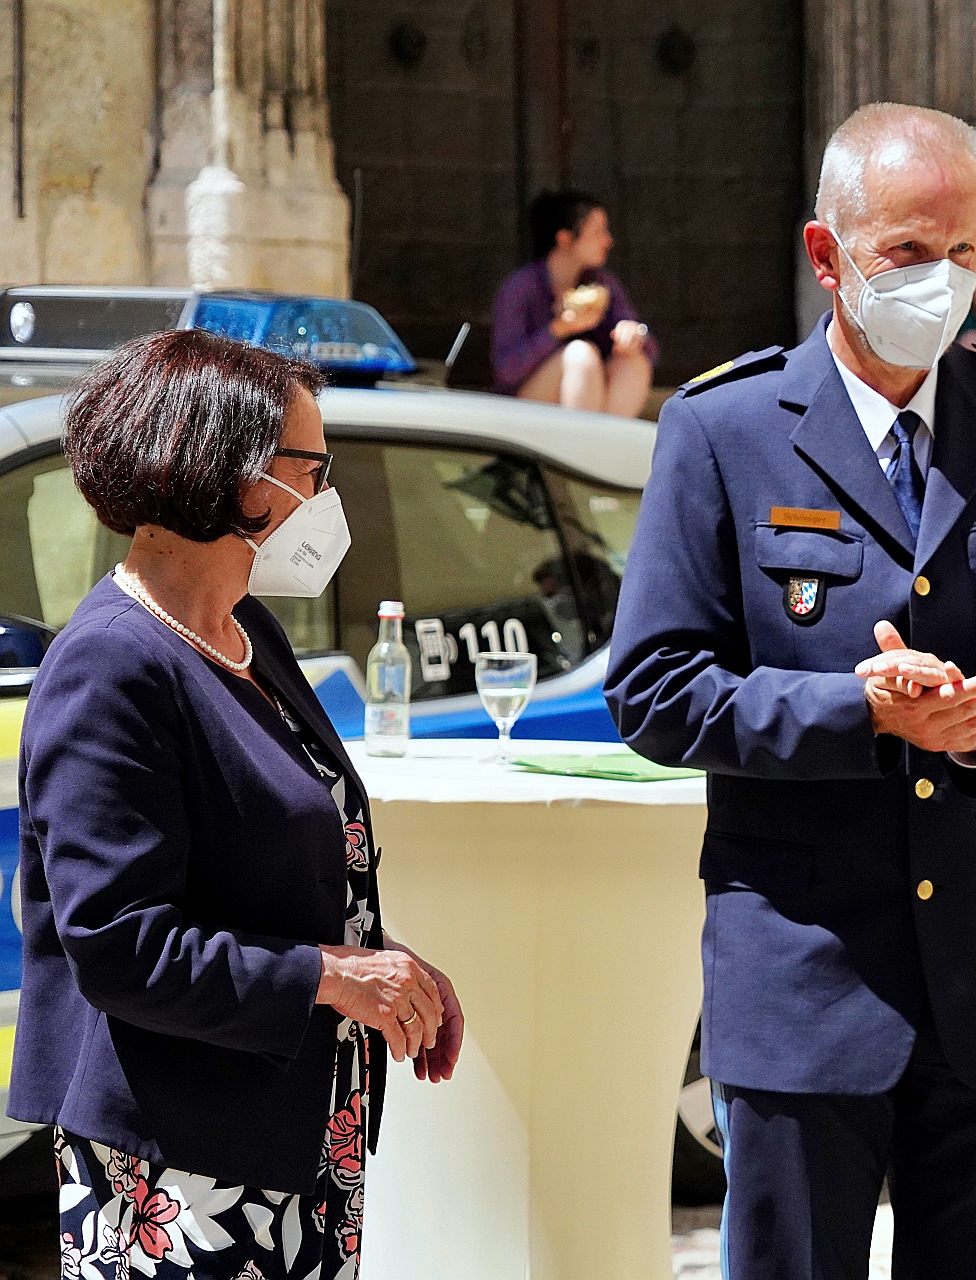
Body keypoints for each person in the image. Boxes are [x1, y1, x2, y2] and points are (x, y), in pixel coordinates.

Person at [603, 103, 976, 1280]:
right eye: (908, 252)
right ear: (827, 254)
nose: (946, 281)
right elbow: (653, 689)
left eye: (967, 252)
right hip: (805, 977)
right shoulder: (723, 426)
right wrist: (862, 713)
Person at [12, 330, 465, 1280]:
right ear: (233, 475)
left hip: (291, 1127)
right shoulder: (112, 662)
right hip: (180, 1159)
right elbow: (120, 942)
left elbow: (286, 858)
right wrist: (331, 979)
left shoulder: (245, 628)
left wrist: (384, 962)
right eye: (315, 467)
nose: (326, 496)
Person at [491, 189, 660, 416]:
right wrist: (557, 330)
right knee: (581, 354)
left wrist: (633, 335)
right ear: (565, 239)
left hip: (594, 402)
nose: (608, 241)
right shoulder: (521, 287)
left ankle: (604, 444)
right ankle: (583, 446)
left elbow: (650, 348)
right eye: (598, 232)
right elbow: (506, 371)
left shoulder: (602, 283)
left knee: (633, 361)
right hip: (525, 408)